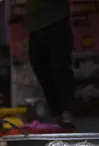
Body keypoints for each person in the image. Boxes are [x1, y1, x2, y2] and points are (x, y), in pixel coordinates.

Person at [26, 0, 75, 128]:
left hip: (56, 21)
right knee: (41, 70)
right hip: (35, 25)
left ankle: (66, 113)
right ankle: (57, 114)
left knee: (60, 68)